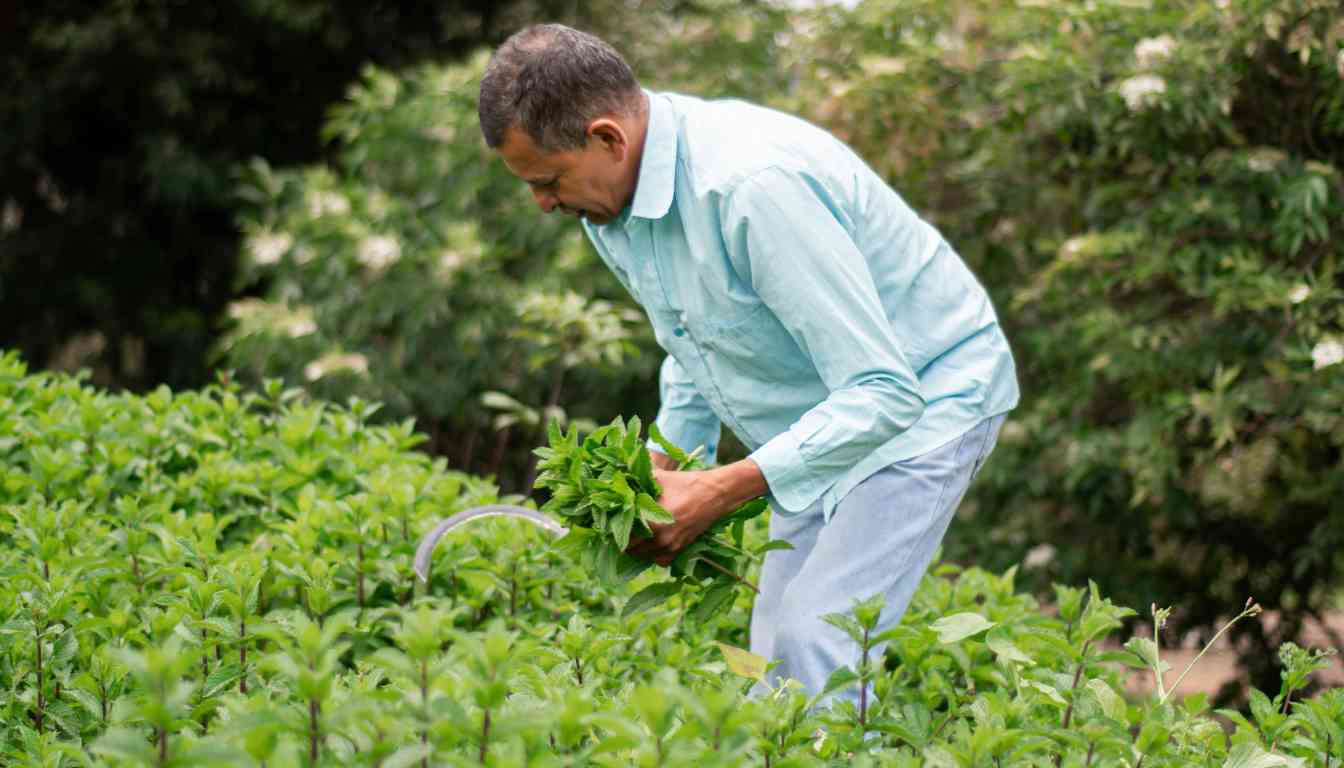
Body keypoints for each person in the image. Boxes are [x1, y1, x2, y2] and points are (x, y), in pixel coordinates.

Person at [478, 24, 1019, 702]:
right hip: (821, 413)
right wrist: (666, 462)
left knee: (817, 635)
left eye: (549, 180)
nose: (544, 203)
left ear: (608, 137)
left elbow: (885, 391)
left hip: (926, 397)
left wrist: (719, 488)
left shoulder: (750, 188)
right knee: (774, 658)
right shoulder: (611, 209)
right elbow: (693, 337)